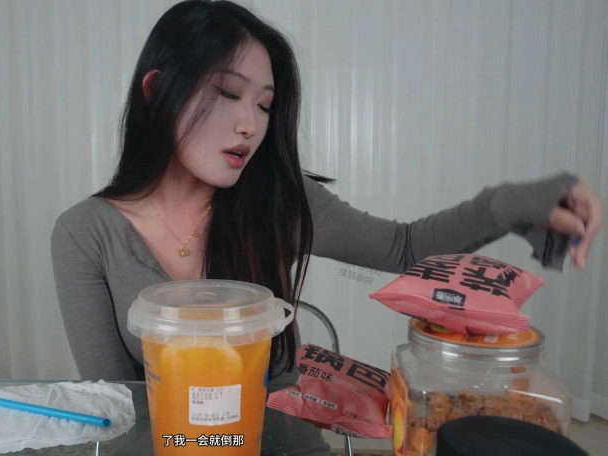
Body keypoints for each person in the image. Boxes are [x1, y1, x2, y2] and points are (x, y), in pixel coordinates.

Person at [51, 0, 603, 403]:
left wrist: (504, 205)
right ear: (156, 92)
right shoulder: (86, 234)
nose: (249, 126)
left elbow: (405, 248)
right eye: (227, 93)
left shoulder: (277, 200)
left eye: (264, 105)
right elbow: (116, 405)